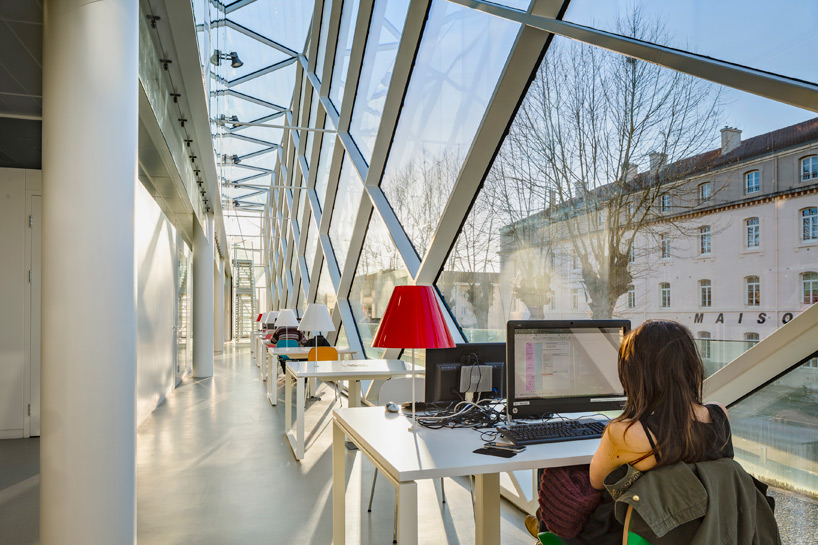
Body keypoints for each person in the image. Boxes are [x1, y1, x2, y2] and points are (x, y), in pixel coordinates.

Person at [530, 320, 735, 544]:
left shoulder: (625, 432)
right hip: (694, 531)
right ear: (691, 365)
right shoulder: (719, 415)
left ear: (636, 372)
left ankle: (544, 530)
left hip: (626, 532)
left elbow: (596, 481)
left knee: (557, 475)